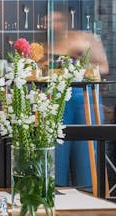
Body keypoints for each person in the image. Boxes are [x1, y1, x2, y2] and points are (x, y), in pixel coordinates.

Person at [45, 11, 108, 188]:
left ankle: (89, 196)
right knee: (57, 154)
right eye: (49, 21)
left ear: (66, 22)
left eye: (56, 20)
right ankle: (57, 195)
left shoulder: (86, 38)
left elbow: (103, 67)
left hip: (84, 99)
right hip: (58, 100)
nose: (52, 24)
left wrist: (81, 67)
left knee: (86, 155)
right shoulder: (49, 45)